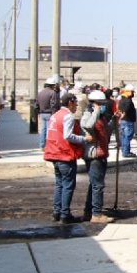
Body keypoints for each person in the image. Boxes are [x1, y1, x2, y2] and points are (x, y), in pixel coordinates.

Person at [44, 93, 92, 224]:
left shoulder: (55, 115)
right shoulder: (68, 117)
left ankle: (56, 212)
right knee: (68, 186)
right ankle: (65, 214)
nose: (77, 105)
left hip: (55, 153)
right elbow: (68, 136)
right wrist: (84, 139)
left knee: (59, 185)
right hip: (64, 154)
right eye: (75, 103)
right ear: (70, 103)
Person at [81, 90, 115, 224]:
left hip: (101, 154)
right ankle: (96, 214)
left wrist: (114, 120)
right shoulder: (88, 115)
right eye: (100, 104)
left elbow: (107, 131)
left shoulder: (101, 117)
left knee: (94, 185)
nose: (103, 106)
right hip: (94, 156)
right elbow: (88, 125)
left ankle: (89, 211)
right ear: (93, 104)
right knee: (98, 186)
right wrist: (95, 112)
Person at [36, 76, 61, 150]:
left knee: (43, 130)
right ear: (52, 85)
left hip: (42, 113)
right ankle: (48, 146)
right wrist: (54, 114)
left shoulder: (40, 93)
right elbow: (53, 104)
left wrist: (38, 112)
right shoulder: (52, 93)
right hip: (49, 113)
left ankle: (42, 145)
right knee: (49, 130)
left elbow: (36, 104)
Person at [117, 84, 137, 157]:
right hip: (128, 121)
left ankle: (125, 150)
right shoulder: (128, 101)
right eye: (132, 92)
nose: (133, 94)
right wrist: (122, 116)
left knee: (124, 136)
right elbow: (125, 111)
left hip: (123, 121)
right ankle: (126, 152)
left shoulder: (122, 99)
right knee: (127, 137)